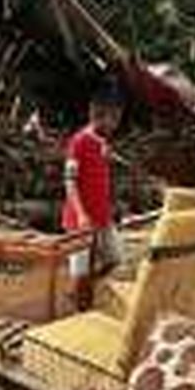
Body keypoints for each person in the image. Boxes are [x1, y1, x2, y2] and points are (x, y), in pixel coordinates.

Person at [61, 84, 124, 311]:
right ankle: (80, 310)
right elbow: (69, 181)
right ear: (97, 114)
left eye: (118, 118)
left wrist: (111, 206)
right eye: (113, 119)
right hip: (81, 219)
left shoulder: (103, 141)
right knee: (80, 271)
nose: (116, 124)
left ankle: (83, 289)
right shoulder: (78, 142)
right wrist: (80, 214)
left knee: (115, 259)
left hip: (103, 215)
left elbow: (102, 179)